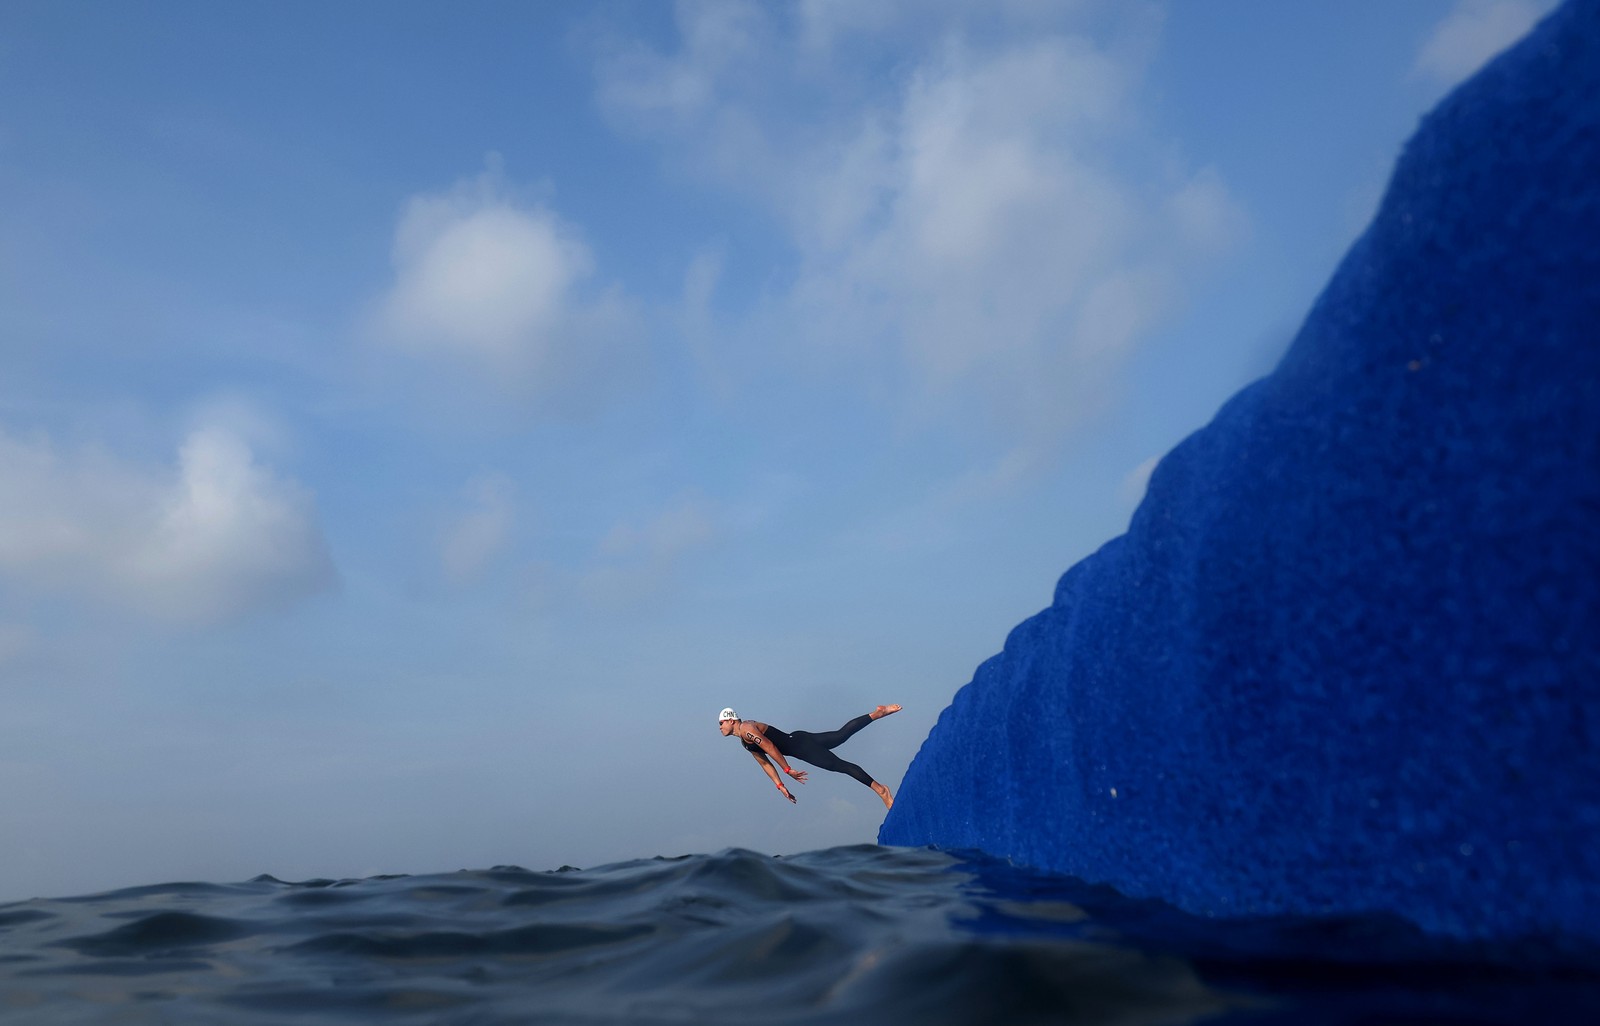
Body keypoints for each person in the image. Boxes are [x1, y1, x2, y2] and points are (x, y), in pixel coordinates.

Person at [718, 705, 901, 809]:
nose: (720, 727)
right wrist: (780, 785)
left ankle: (881, 790)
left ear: (731, 720)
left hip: (801, 746)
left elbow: (770, 746)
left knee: (840, 765)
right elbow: (765, 764)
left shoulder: (747, 730)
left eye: (721, 723)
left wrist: (787, 769)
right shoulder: (745, 741)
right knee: (840, 735)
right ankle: (877, 713)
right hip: (798, 739)